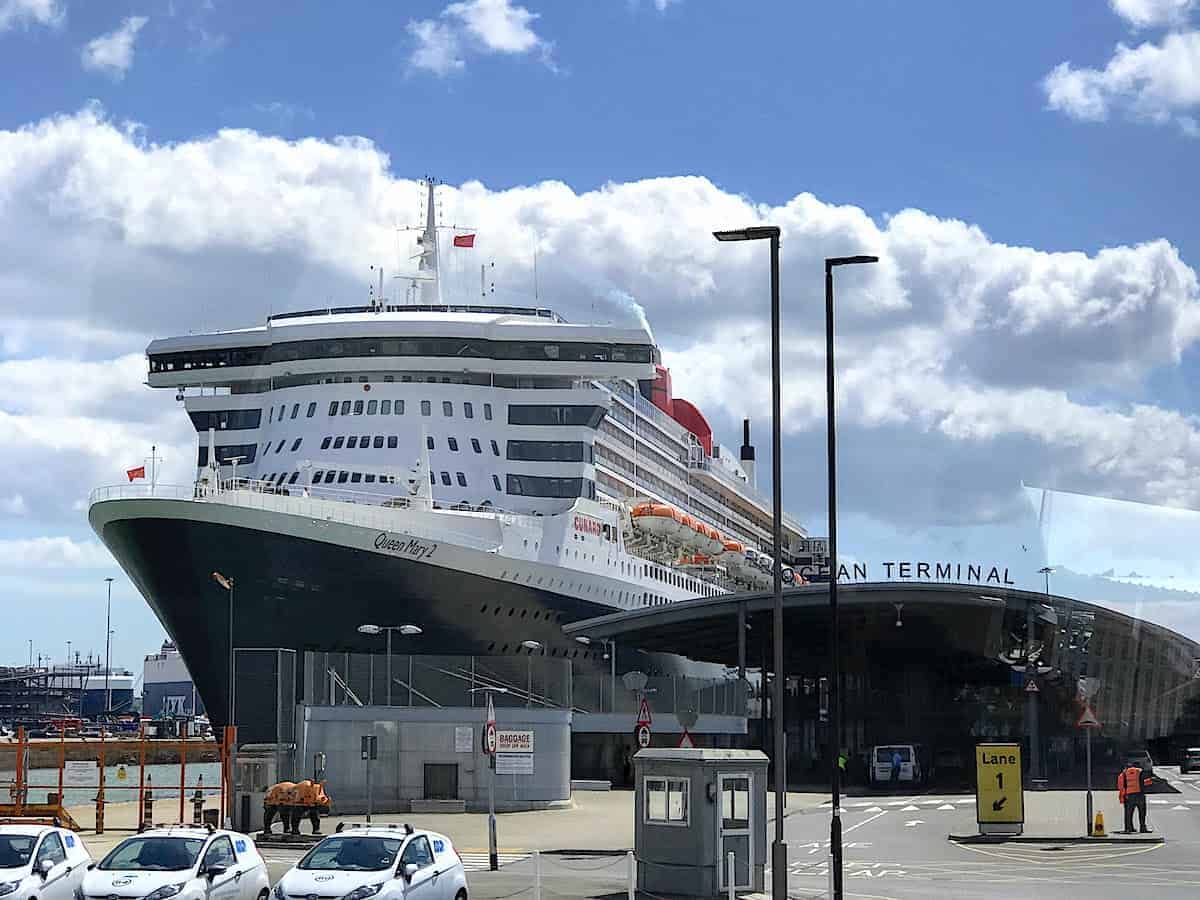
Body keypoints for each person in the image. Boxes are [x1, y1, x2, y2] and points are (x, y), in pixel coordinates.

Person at [1117, 759, 1152, 833]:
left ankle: (1128, 828)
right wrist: (1150, 781)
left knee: (1128, 813)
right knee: (1142, 812)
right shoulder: (1139, 771)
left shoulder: (1123, 774)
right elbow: (1143, 783)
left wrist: (1123, 797)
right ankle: (1143, 828)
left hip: (1129, 796)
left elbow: (1121, 786)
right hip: (1140, 795)